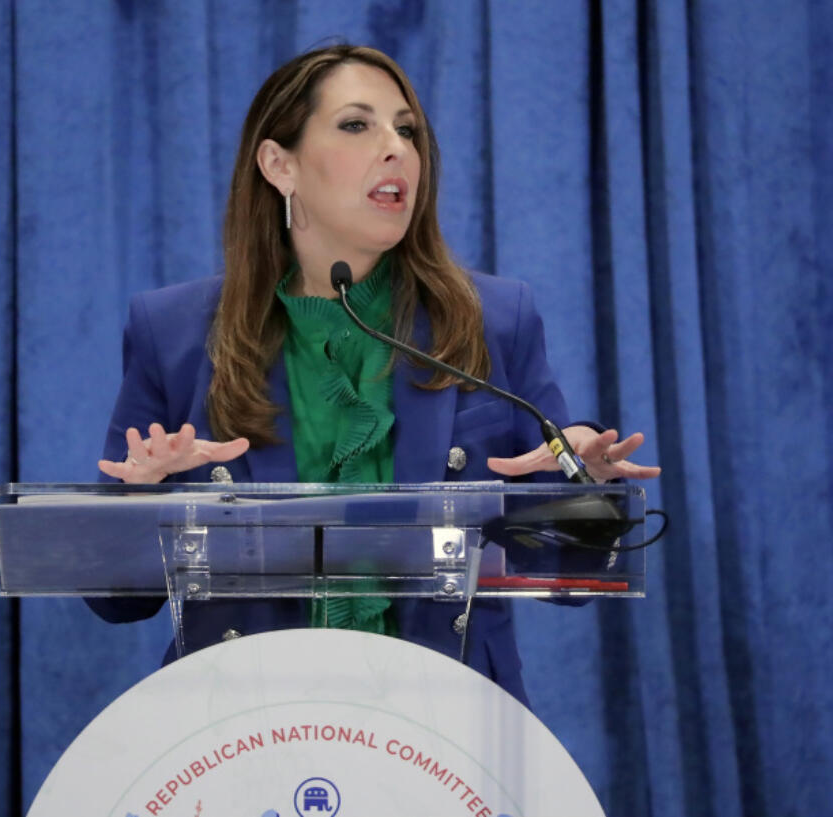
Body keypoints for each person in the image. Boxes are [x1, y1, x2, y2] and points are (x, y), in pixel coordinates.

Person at [89, 44, 659, 705]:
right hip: (243, 731)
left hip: (444, 735)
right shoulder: (176, 332)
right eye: (358, 125)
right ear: (280, 165)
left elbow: (570, 574)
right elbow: (112, 599)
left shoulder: (495, 320)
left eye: (407, 129)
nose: (397, 149)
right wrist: (141, 505)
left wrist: (583, 491)